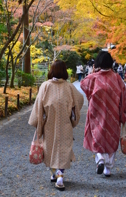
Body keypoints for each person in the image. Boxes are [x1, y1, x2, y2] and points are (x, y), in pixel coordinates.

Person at [28, 60, 84, 191]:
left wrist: (38, 122)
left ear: (51, 71)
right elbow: (80, 99)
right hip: (65, 123)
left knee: (50, 148)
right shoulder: (69, 87)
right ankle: (59, 175)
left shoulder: (45, 86)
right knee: (63, 149)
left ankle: (55, 174)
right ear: (64, 71)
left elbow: (38, 106)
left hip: (49, 123)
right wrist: (72, 113)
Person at [80, 51, 126, 177]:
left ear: (97, 63)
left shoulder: (93, 78)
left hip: (96, 114)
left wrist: (93, 71)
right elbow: (123, 96)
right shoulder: (117, 78)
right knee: (112, 139)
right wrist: (124, 110)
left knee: (97, 137)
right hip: (113, 115)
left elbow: (83, 84)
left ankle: (100, 158)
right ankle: (108, 168)